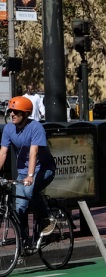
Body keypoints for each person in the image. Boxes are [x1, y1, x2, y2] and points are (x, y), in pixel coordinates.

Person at [0, 97, 58, 239]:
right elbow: (3, 152)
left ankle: (47, 217)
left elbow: (34, 152)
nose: (12, 114)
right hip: (23, 172)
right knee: (19, 207)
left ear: (25, 114)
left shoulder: (36, 127)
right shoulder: (8, 129)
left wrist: (31, 176)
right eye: (11, 111)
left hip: (44, 169)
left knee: (28, 192)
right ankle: (24, 243)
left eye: (16, 112)